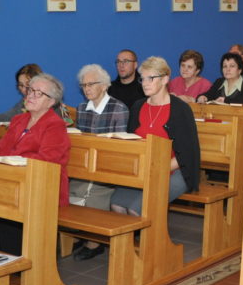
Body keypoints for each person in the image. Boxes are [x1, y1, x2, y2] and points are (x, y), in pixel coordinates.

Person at [0, 73, 71, 255]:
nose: (30, 95)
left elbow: (47, 161)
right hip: (10, 182)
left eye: (38, 93)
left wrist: (13, 161)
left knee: (8, 214)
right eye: (30, 90)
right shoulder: (19, 120)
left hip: (42, 187)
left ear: (51, 101)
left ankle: (14, 259)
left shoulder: (55, 125)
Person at [111, 57, 200, 214]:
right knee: (117, 205)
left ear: (165, 79)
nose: (145, 83)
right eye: (142, 79)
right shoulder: (138, 106)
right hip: (143, 169)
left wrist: (156, 170)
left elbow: (186, 154)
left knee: (136, 210)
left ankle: (152, 231)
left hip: (175, 170)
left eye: (150, 78)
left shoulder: (180, 109)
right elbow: (131, 143)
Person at [69, 64, 129, 260]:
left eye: (91, 84)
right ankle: (78, 232)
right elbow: (81, 141)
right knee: (72, 189)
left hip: (107, 165)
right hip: (86, 163)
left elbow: (118, 147)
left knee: (93, 192)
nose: (86, 89)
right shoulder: (82, 108)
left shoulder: (118, 108)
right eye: (83, 85)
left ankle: (94, 242)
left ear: (104, 85)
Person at [0, 63, 42, 129]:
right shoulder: (23, 103)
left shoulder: (46, 106)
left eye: (28, 84)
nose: (24, 89)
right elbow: (7, 117)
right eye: (21, 85)